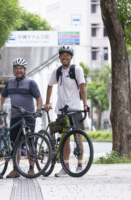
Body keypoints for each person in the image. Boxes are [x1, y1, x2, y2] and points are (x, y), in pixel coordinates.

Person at [45, 46, 90, 177]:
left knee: (78, 137)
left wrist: (85, 104)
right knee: (65, 138)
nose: (64, 57)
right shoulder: (57, 71)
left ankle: (80, 165)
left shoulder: (77, 69)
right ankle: (65, 167)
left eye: (67, 55)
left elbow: (82, 87)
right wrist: (48, 102)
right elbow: (49, 86)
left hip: (75, 109)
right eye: (62, 55)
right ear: (59, 57)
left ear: (71, 57)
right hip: (61, 110)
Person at [1, 58, 42, 178]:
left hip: (28, 117)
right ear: (14, 70)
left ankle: (31, 169)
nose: (18, 70)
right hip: (14, 117)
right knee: (15, 144)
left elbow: (39, 98)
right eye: (16, 68)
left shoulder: (31, 83)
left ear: (24, 70)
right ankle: (16, 170)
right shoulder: (9, 83)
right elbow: (2, 98)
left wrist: (38, 111)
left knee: (30, 143)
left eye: (21, 68)